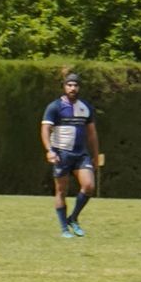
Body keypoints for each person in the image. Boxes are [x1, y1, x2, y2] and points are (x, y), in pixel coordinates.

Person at [42, 72, 100, 238]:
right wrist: (49, 150)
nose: (72, 88)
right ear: (64, 86)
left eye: (75, 85)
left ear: (79, 87)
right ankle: (64, 229)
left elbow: (92, 134)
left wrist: (96, 155)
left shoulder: (86, 107)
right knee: (61, 191)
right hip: (62, 154)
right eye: (69, 85)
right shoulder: (55, 107)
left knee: (89, 186)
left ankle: (73, 218)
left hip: (81, 155)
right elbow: (45, 130)